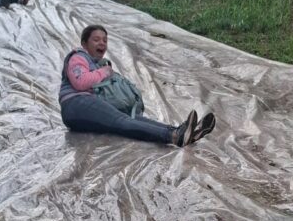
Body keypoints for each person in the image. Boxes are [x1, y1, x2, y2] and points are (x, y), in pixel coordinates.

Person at [60, 25, 216, 146]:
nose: (102, 43)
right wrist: (104, 72)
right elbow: (80, 82)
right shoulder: (78, 57)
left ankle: (179, 132)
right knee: (121, 121)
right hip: (76, 104)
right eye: (96, 39)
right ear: (84, 43)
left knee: (132, 117)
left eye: (105, 40)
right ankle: (174, 136)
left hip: (85, 107)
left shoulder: (96, 63)